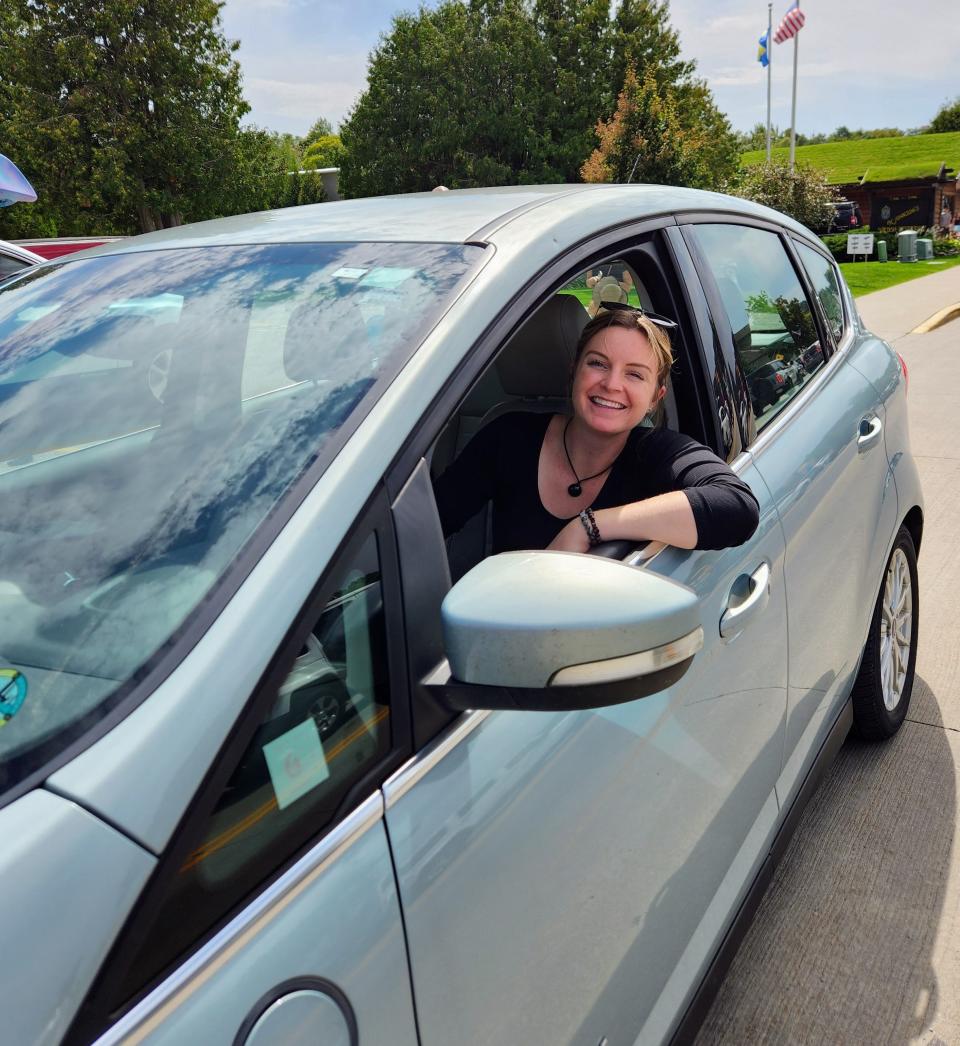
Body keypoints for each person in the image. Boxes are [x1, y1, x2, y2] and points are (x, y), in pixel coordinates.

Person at [434, 305, 759, 556]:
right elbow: (426, 530)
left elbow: (736, 507)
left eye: (635, 375)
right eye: (598, 364)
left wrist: (588, 527)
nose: (612, 384)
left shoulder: (658, 453)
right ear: (574, 371)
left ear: (654, 398)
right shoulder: (507, 438)